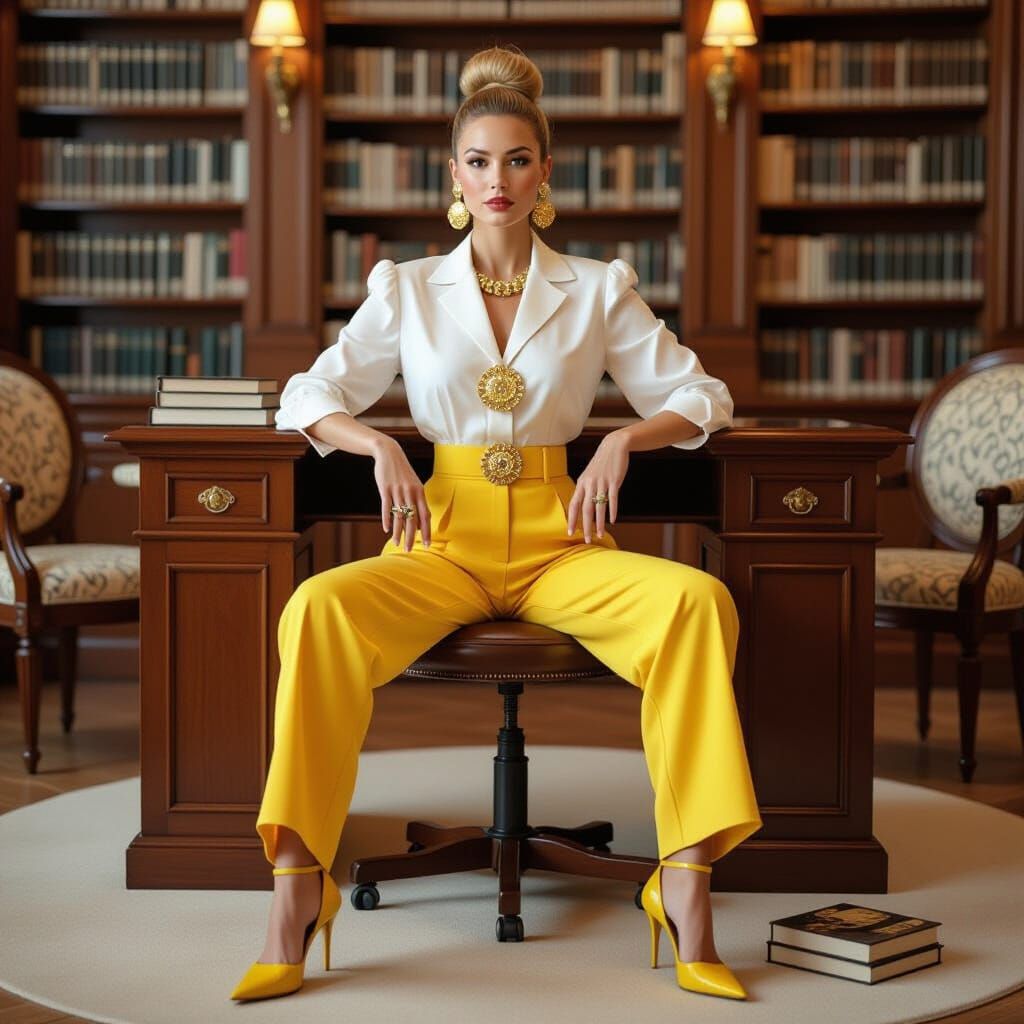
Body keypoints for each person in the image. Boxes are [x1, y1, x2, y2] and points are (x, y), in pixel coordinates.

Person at [230, 44, 762, 1004]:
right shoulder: (406, 288)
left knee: (697, 603)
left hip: (566, 539)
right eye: (477, 161)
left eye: (516, 159)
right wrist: (378, 445)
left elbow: (703, 394)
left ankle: (684, 888)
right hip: (443, 538)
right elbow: (306, 393)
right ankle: (295, 891)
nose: (497, 180)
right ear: (454, 176)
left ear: (545, 172)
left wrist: (623, 443)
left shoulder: (598, 288)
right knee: (316, 610)